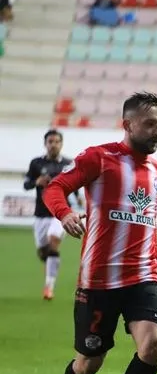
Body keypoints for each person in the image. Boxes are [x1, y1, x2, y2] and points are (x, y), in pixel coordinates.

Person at [44, 92, 157, 374]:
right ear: (128, 124)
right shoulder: (99, 158)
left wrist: (155, 262)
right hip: (99, 280)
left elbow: (147, 225)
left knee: (153, 347)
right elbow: (55, 187)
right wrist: (65, 214)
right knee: (88, 362)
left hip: (143, 276)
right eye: (150, 123)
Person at [24, 129, 85, 301]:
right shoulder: (36, 163)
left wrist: (78, 198)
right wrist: (36, 182)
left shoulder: (68, 164)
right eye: (50, 142)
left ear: (61, 143)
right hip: (41, 214)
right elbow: (26, 184)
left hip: (60, 214)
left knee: (53, 244)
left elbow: (75, 184)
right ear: (45, 144)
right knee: (44, 251)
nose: (53, 145)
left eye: (56, 141)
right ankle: (51, 262)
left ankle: (48, 288)